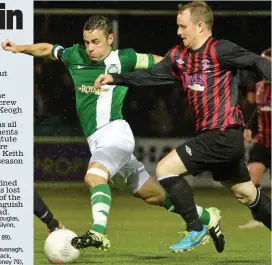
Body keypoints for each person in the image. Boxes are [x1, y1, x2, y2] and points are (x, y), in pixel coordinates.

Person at [2, 15, 224, 253]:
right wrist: (19, 48)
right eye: (87, 42)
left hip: (115, 133)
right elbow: (48, 49)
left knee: (94, 177)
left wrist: (190, 72)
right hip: (97, 141)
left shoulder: (123, 58)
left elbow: (159, 62)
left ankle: (98, 232)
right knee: (154, 196)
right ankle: (206, 218)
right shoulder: (74, 55)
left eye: (96, 42)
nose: (90, 48)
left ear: (110, 39)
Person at [94, 2, 272, 252]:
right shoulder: (179, 57)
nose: (178, 31)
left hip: (222, 135)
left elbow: (256, 61)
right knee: (247, 194)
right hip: (218, 138)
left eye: (182, 26)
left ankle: (196, 228)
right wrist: (116, 78)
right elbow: (151, 76)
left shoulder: (220, 50)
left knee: (166, 169)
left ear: (200, 26)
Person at [239, 48, 271, 229]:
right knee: (251, 179)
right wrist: (249, 128)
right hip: (264, 142)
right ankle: (258, 218)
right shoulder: (260, 87)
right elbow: (257, 113)